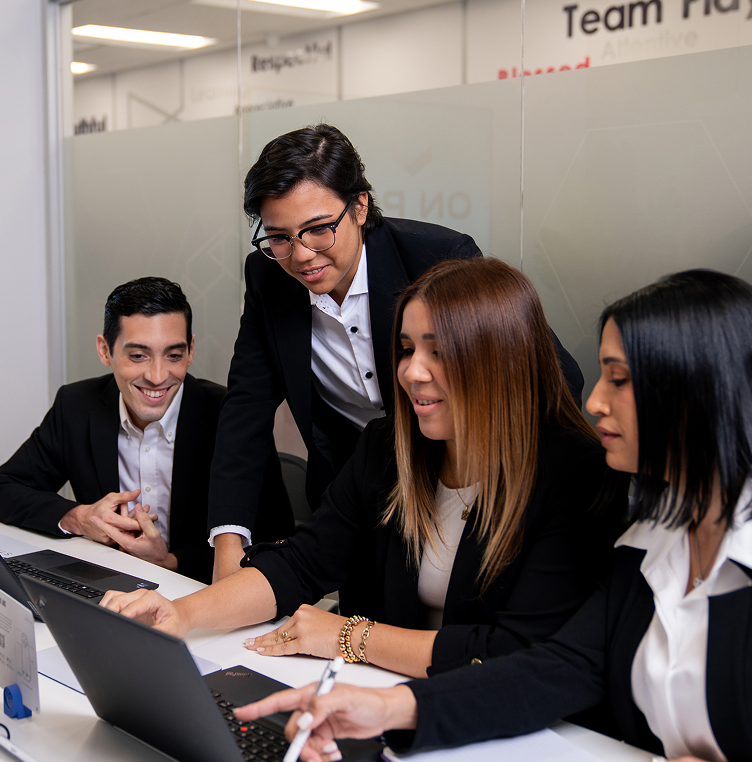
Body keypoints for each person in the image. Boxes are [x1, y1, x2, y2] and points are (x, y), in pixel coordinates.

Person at [235, 269, 752, 762]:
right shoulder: (655, 536)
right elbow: (560, 666)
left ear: (698, 394)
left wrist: (352, 639)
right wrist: (386, 709)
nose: (594, 401)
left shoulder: (581, 479)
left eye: (618, 380)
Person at [102, 258, 624, 682]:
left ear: (500, 359)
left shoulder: (574, 474)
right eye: (406, 348)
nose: (411, 372)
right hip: (388, 695)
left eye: (439, 352)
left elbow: (515, 654)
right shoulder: (389, 446)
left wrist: (348, 635)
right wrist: (182, 614)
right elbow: (301, 564)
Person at [208, 123, 585, 582]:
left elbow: (555, 375)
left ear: (360, 205)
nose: (301, 255)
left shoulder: (438, 258)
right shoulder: (268, 276)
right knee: (352, 640)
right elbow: (245, 406)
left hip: (460, 488)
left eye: (318, 229)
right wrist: (229, 543)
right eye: (280, 237)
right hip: (356, 497)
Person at [0, 277, 289, 584]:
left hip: (205, 595)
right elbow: (2, 490)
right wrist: (81, 518)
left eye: (173, 355)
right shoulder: (75, 406)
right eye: (138, 355)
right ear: (105, 351)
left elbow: (278, 541)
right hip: (111, 589)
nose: (157, 376)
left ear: (191, 350)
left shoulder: (231, 415)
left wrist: (170, 562)